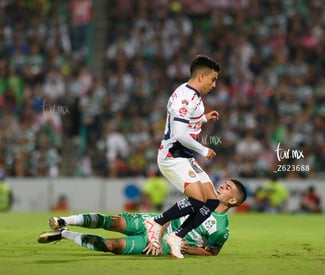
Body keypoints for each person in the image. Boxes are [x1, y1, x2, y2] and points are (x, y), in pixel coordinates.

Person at [37, 179, 247, 257]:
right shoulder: (201, 197)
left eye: (228, 188)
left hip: (162, 245)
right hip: (154, 223)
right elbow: (173, 213)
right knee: (114, 222)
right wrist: (160, 228)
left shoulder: (221, 229)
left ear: (232, 202)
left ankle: (64, 234)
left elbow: (212, 252)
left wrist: (189, 249)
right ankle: (65, 220)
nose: (221, 186)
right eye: (224, 183)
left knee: (112, 245)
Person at [144, 55, 221, 258]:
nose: (214, 84)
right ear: (201, 76)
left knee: (212, 201)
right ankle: (158, 221)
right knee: (198, 200)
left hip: (184, 156)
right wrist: (204, 150)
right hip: (172, 155)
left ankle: (177, 236)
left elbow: (187, 121)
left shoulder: (195, 96)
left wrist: (204, 118)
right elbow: (179, 134)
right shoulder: (185, 97)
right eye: (212, 79)